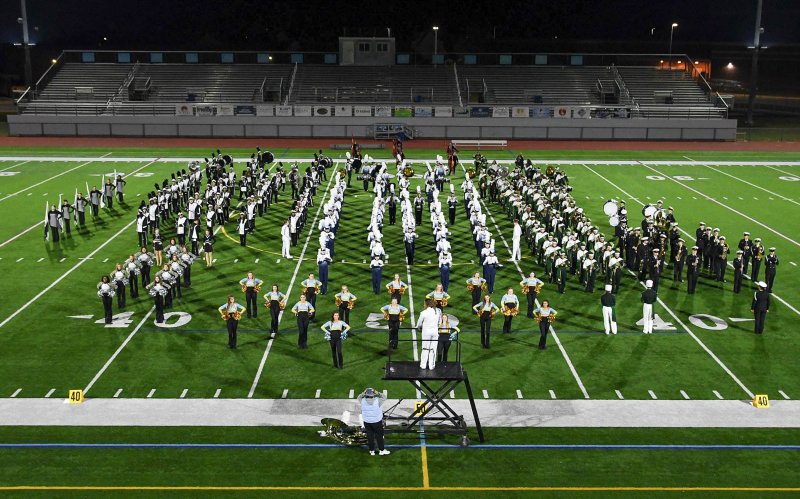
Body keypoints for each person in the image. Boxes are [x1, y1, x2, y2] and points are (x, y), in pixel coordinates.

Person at [358, 388, 390, 456]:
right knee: (379, 436)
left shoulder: (362, 400)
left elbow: (359, 397)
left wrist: (364, 392)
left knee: (370, 436)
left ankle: (372, 451)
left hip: (367, 422)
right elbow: (384, 397)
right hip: (377, 422)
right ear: (373, 394)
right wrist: (377, 392)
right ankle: (381, 450)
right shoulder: (377, 400)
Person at [417, 299, 440, 369]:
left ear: (427, 304)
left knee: (425, 348)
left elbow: (419, 324)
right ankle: (431, 365)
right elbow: (439, 322)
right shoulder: (437, 312)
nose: (423, 305)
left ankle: (423, 365)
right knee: (433, 349)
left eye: (424, 304)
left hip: (426, 332)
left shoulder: (424, 312)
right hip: (435, 332)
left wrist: (418, 328)